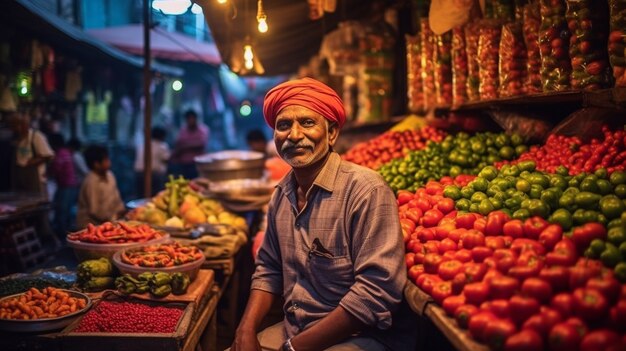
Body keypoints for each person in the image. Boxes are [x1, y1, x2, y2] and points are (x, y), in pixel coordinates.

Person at [231, 78, 414, 351]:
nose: (293, 135)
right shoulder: (280, 195)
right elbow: (269, 268)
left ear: (331, 134)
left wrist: (295, 347)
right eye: (283, 125)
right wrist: (244, 330)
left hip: (360, 337)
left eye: (307, 123)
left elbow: (377, 291)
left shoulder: (366, 190)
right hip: (295, 328)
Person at [76, 145, 125, 229]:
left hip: (109, 222)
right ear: (96, 164)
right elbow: (94, 211)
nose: (109, 162)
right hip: (91, 226)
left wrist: (122, 211)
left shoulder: (110, 175)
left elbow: (117, 198)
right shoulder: (90, 182)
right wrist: (113, 219)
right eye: (106, 160)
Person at [9, 112, 54, 198]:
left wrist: (33, 162)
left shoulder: (36, 136)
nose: (16, 129)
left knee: (37, 203)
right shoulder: (17, 139)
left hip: (36, 179)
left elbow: (48, 155)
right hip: (21, 177)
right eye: (13, 126)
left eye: (20, 125)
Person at [48, 133, 79, 237]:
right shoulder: (66, 152)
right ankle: (66, 233)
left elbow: (56, 169)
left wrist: (47, 173)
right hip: (70, 185)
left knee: (62, 210)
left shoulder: (61, 154)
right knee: (65, 210)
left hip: (66, 185)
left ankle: (64, 235)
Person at [170, 109, 209, 179]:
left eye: (192, 118)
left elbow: (201, 144)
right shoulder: (183, 130)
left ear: (196, 118)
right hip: (184, 165)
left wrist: (184, 147)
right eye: (188, 118)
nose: (191, 120)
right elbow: (178, 144)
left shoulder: (202, 129)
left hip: (198, 164)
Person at [134, 126, 171, 197]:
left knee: (141, 196)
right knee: (155, 197)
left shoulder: (143, 144)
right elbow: (167, 159)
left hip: (138, 174)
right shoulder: (162, 146)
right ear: (162, 136)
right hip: (154, 175)